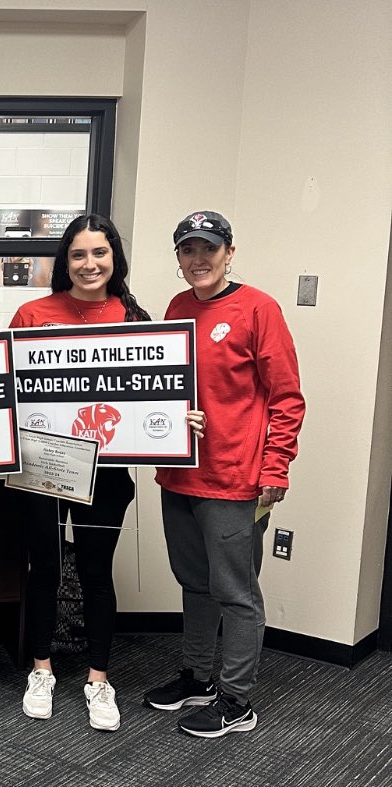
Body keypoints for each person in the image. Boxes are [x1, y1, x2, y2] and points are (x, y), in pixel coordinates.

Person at [9, 214, 205, 732]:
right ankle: (42, 670)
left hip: (107, 470)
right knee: (45, 569)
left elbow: (156, 394)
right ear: (64, 262)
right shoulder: (32, 313)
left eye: (99, 253)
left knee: (96, 572)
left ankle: (98, 678)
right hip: (43, 464)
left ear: (114, 258)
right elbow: (8, 389)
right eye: (78, 254)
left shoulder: (135, 319)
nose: (89, 263)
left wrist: (175, 420)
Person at [144, 210, 305, 738]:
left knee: (236, 592)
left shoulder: (259, 309)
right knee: (194, 583)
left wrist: (275, 469)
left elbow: (286, 398)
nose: (198, 259)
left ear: (229, 252)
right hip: (180, 475)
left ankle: (237, 700)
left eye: (209, 249)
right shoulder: (177, 307)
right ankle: (197, 676)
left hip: (235, 478)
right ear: (179, 258)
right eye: (188, 250)